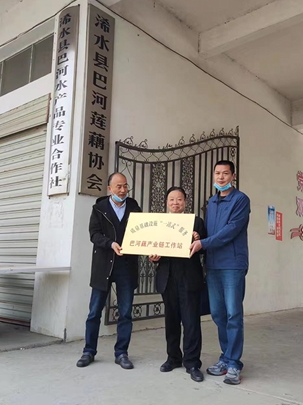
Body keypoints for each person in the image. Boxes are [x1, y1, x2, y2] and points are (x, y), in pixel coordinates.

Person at [189, 160, 250, 385]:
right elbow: (209, 232)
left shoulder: (241, 200)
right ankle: (225, 357)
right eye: (217, 173)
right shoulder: (212, 202)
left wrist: (203, 243)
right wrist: (198, 237)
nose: (221, 177)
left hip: (232, 264)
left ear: (233, 176)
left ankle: (234, 363)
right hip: (213, 265)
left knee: (233, 314)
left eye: (225, 173)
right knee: (218, 313)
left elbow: (231, 230)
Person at [76, 172, 142, 370]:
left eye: (125, 186)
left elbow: (143, 232)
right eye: (118, 186)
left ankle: (121, 353)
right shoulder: (99, 208)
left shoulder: (134, 207)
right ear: (109, 189)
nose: (122, 190)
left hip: (126, 266)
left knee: (125, 313)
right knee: (94, 312)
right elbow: (94, 235)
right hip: (104, 265)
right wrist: (110, 243)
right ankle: (89, 351)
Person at [149, 187, 207, 383]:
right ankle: (173, 358)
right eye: (172, 199)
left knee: (191, 322)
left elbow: (204, 248)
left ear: (185, 202)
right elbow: (153, 248)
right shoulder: (159, 223)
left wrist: (198, 240)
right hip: (167, 277)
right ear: (167, 202)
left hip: (189, 277)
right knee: (171, 321)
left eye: (179, 199)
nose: (175, 203)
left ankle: (192, 363)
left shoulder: (196, 222)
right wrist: (153, 257)